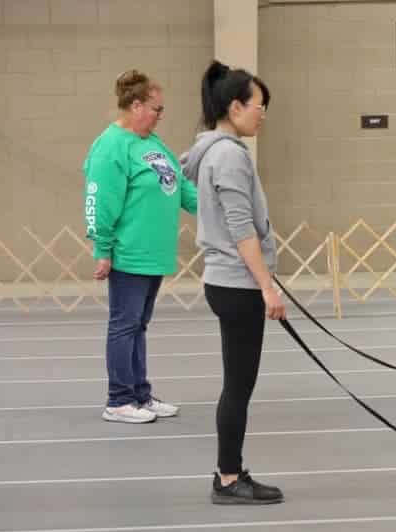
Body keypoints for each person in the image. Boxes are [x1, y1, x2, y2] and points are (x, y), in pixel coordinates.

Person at [181, 61, 286, 505]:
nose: (263, 114)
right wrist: (267, 285)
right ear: (236, 105)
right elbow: (241, 227)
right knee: (239, 385)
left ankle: (230, 471)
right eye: (260, 106)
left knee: (237, 383)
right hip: (237, 284)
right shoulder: (228, 155)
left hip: (229, 280)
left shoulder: (215, 151)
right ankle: (228, 478)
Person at [83, 70, 198, 423]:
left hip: (155, 254)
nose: (160, 115)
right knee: (124, 325)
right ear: (136, 106)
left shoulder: (153, 143)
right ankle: (118, 400)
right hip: (128, 252)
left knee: (138, 326)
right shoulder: (111, 145)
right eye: (156, 108)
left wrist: (211, 208)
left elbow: (178, 185)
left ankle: (140, 395)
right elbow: (100, 200)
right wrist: (102, 249)